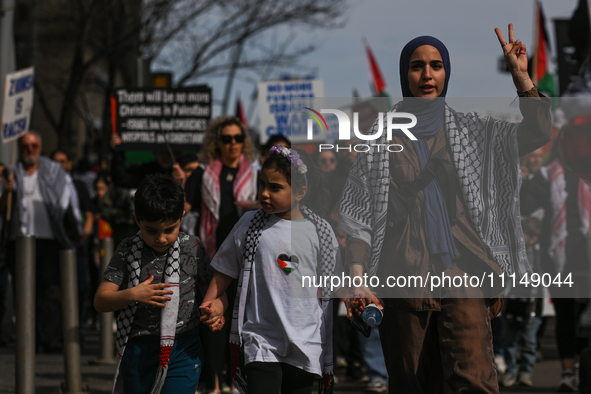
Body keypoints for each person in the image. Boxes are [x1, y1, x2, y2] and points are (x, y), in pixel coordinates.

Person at [338, 26, 552, 393]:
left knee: (475, 381)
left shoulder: (472, 132)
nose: (427, 75)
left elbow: (536, 133)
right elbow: (359, 221)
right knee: (413, 384)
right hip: (402, 276)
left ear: (446, 73)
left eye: (436, 66)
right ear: (405, 75)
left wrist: (522, 80)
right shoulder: (378, 141)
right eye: (417, 66)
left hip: (463, 271)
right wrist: (358, 279)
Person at [200, 145, 340, 394]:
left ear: (300, 192)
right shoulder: (249, 224)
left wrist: (356, 300)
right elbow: (224, 270)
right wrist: (212, 303)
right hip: (260, 339)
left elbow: (335, 280)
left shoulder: (321, 232)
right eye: (262, 184)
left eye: (275, 188)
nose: (264, 193)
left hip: (305, 341)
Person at [94, 174, 218, 394]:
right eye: (151, 231)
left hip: (183, 347)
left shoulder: (193, 247)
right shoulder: (127, 249)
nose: (161, 238)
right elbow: (101, 300)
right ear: (136, 219)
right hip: (140, 348)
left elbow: (214, 290)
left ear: (182, 216)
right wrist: (133, 294)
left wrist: (217, 308)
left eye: (169, 229)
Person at [184, 116, 257, 394]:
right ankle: (214, 382)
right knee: (213, 319)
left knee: (241, 320)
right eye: (227, 139)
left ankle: (234, 379)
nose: (233, 144)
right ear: (217, 142)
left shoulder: (255, 173)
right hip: (212, 257)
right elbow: (185, 207)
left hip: (246, 257)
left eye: (238, 138)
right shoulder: (203, 174)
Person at [0, 131, 78, 352]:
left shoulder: (53, 171)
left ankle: (50, 338)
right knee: (24, 292)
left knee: (50, 292)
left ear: (40, 148)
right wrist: (7, 191)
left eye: (34, 145)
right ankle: (28, 339)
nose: (30, 150)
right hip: (20, 241)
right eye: (26, 146)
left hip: (48, 240)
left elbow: (65, 200)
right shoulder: (12, 174)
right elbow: (2, 209)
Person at [500, 217, 544, 388]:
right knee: (508, 339)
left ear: (533, 238)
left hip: (532, 304)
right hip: (511, 301)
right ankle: (511, 370)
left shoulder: (541, 254)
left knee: (529, 340)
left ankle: (526, 371)